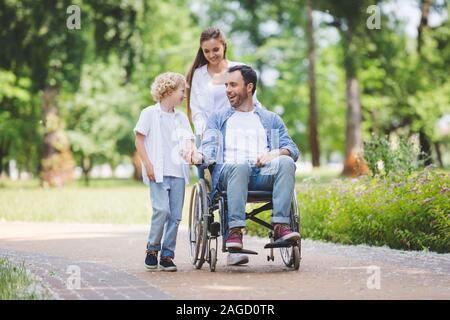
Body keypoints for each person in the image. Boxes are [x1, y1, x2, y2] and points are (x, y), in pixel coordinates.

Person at [187, 65, 300, 259]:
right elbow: (209, 148)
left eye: (233, 85)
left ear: (249, 88)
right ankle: (235, 231)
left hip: (263, 173)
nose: (227, 90)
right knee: (239, 165)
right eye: (226, 85)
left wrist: (275, 154)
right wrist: (198, 157)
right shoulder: (218, 118)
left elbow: (292, 149)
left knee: (287, 163)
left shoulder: (271, 119)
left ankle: (281, 226)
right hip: (230, 174)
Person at [186, 27, 257, 266]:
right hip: (209, 135)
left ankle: (233, 247)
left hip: (237, 133)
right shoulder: (199, 74)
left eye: (215, 49)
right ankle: (223, 236)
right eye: (206, 51)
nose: (211, 54)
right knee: (216, 187)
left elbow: (252, 99)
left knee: (232, 182)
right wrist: (204, 134)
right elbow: (196, 109)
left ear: (224, 45)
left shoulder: (238, 69)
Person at [134, 72, 194, 272]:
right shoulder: (149, 113)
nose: (184, 95)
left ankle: (167, 255)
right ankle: (152, 249)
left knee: (175, 216)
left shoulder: (182, 118)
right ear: (168, 91)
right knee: (161, 210)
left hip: (178, 172)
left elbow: (188, 139)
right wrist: (148, 165)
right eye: (181, 91)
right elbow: (139, 140)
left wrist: (189, 150)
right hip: (158, 172)